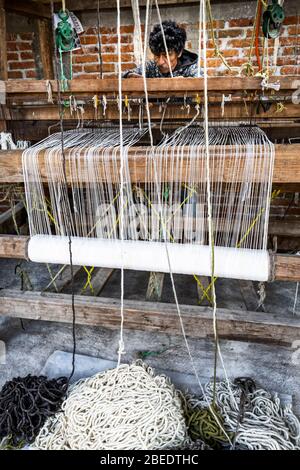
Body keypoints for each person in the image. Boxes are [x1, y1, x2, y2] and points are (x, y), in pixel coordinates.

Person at [123, 20, 200, 78]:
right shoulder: (151, 67)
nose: (160, 62)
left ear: (179, 52)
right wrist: (129, 76)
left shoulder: (191, 69)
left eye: (166, 55)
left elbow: (203, 83)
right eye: (156, 55)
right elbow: (124, 75)